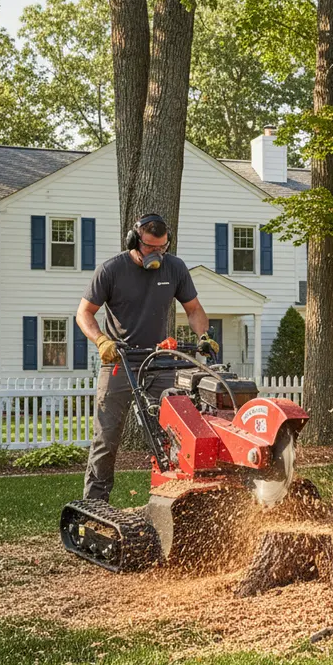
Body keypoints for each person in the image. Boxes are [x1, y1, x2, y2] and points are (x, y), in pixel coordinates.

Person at [75, 213, 219, 501]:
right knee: (106, 438)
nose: (157, 254)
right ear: (134, 241)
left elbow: (193, 309)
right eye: (151, 248)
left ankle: (172, 498)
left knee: (175, 430)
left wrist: (203, 336)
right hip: (118, 362)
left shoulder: (175, 268)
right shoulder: (111, 270)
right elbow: (84, 313)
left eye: (162, 248)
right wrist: (101, 340)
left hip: (159, 361)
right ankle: (94, 504)